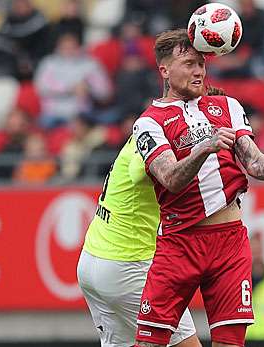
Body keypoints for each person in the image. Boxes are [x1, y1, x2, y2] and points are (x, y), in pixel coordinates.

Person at [132, 29, 264, 347]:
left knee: (230, 342)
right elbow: (169, 177)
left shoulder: (227, 106)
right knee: (149, 342)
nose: (199, 71)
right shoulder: (149, 123)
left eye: (202, 64)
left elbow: (253, 161)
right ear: (164, 70)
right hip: (180, 243)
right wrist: (204, 148)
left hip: (230, 243)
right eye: (190, 63)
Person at [76, 135, 204, 346]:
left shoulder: (148, 127)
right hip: (127, 265)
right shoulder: (162, 130)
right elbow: (141, 170)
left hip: (94, 257)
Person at [34, 32, 113, 129]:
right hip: (54, 114)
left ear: (79, 47)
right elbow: (41, 88)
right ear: (58, 47)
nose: (69, 51)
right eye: (65, 48)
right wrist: (69, 89)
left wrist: (88, 89)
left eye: (72, 47)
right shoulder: (48, 64)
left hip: (82, 113)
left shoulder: (90, 64)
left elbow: (105, 92)